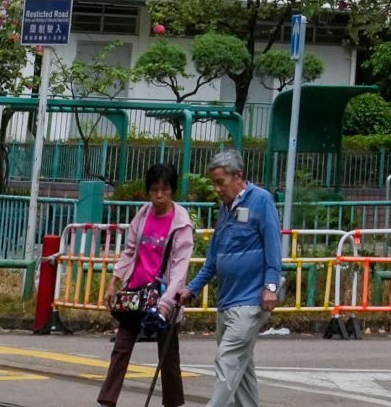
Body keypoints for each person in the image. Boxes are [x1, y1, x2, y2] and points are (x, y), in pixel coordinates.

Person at [184, 149, 282, 407]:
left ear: (238, 176)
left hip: (250, 301)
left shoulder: (261, 201)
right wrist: (191, 289)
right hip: (227, 301)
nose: (217, 189)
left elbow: (274, 247)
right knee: (242, 368)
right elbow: (214, 259)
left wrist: (271, 286)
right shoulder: (225, 209)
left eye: (220, 182)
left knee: (227, 360)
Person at [97, 163, 195, 407]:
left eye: (164, 190)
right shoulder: (142, 215)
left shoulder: (181, 223)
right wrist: (114, 282)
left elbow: (180, 269)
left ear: (173, 191)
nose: (159, 196)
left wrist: (165, 305)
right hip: (136, 294)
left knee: (168, 356)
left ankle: (173, 402)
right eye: (154, 190)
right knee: (121, 348)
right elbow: (129, 252)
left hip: (165, 297)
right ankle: (107, 401)